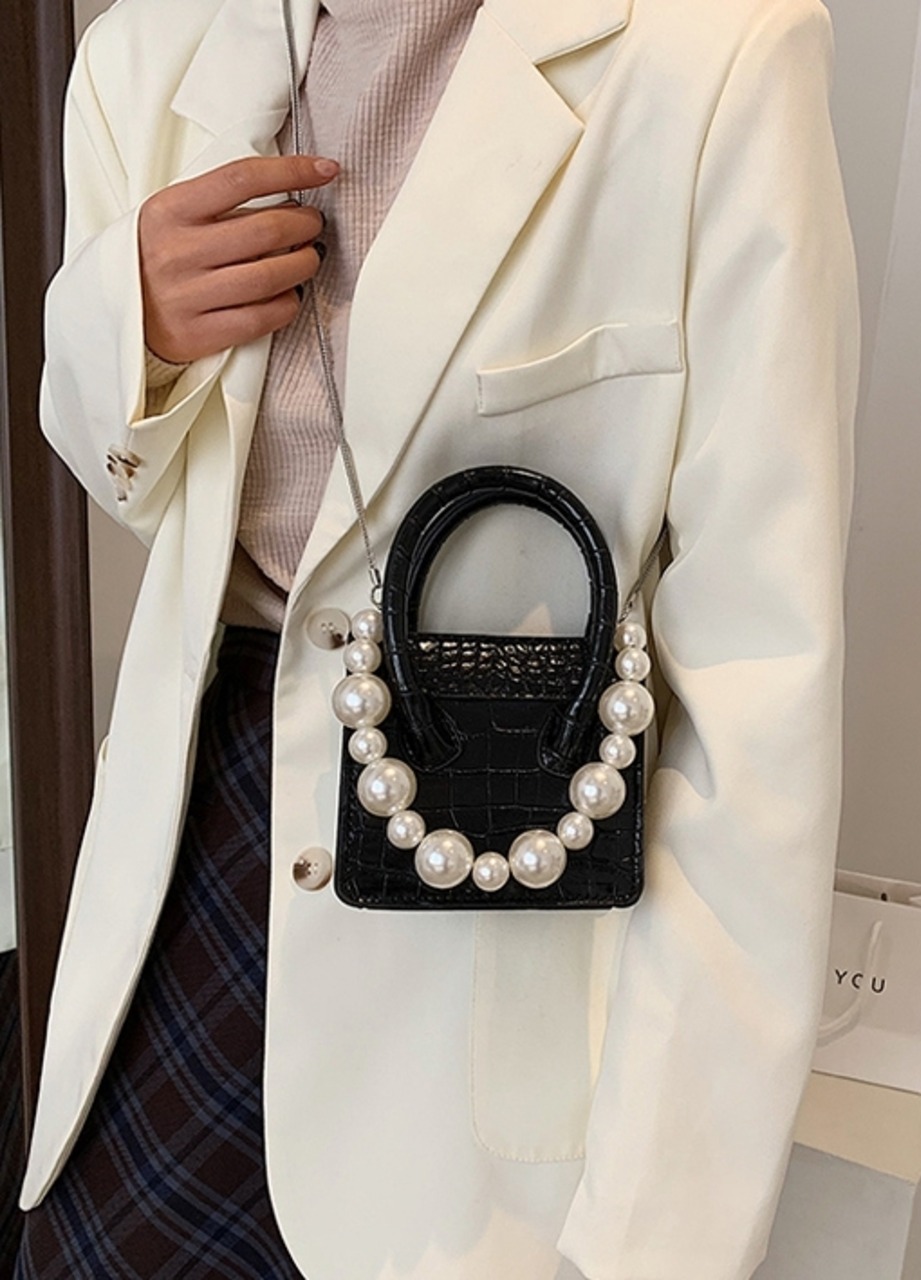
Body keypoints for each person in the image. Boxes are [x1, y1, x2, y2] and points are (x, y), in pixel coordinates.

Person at [16, 0, 860, 1275]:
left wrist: (657, 1237)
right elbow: (137, 484)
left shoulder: (718, 54)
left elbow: (759, 695)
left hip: (499, 864)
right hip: (196, 840)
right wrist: (129, 328)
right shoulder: (145, 54)